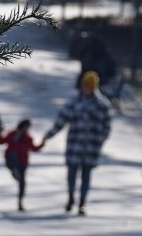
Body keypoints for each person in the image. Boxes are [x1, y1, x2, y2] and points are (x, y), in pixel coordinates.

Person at [43, 70, 112, 215]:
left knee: (86, 175)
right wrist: (49, 135)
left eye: (89, 87)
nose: (85, 89)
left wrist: (100, 139)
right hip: (75, 145)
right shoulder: (74, 102)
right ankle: (70, 197)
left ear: (94, 88)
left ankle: (82, 202)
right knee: (72, 174)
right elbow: (62, 120)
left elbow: (107, 125)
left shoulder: (102, 105)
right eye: (84, 86)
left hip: (91, 146)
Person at [0, 118, 45, 211]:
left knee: (22, 182)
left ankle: (20, 200)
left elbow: (34, 148)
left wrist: (43, 143)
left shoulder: (28, 138)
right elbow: (1, 142)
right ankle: (14, 171)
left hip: (22, 163)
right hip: (11, 161)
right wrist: (0, 132)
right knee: (13, 154)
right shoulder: (12, 135)